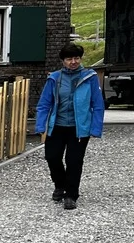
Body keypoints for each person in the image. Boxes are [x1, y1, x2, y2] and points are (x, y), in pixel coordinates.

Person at [34, 42, 105, 210]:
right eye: (69, 59)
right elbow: (44, 104)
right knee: (52, 157)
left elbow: (98, 104)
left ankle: (71, 195)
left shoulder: (90, 77)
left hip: (79, 128)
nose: (73, 62)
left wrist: (96, 128)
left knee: (74, 161)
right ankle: (60, 185)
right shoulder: (54, 78)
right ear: (63, 61)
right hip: (57, 126)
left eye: (76, 58)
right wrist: (40, 125)